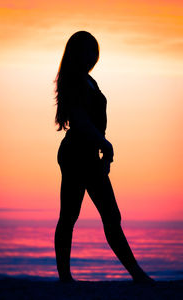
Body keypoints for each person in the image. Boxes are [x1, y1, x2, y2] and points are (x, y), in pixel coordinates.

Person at [54, 31, 154, 283]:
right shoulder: (74, 80)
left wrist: (104, 152)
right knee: (71, 215)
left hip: (88, 154)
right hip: (76, 154)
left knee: (109, 216)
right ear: (78, 52)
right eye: (89, 50)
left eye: (95, 50)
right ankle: (66, 278)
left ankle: (137, 274)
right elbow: (79, 119)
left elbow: (96, 124)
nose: (94, 55)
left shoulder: (89, 80)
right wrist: (104, 143)